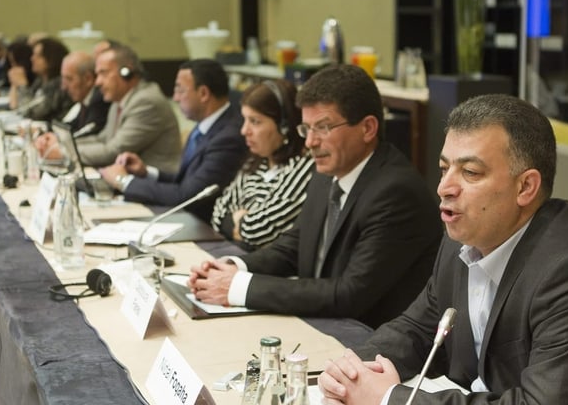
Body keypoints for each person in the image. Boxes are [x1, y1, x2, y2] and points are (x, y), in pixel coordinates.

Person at [317, 94, 568, 405]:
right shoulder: (460, 242)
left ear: (526, 187)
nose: (444, 188)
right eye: (443, 167)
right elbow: (417, 329)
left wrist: (387, 403)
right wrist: (352, 374)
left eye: (470, 172)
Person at [187, 64, 441, 328]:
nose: (310, 142)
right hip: (323, 325)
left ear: (367, 128)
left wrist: (239, 288)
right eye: (306, 129)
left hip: (371, 342)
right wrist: (233, 268)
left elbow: (349, 294)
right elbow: (294, 247)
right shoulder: (326, 173)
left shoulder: (395, 192)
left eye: (322, 127)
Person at [98, 58, 246, 221]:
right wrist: (146, 172)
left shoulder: (228, 138)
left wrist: (123, 181)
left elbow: (188, 197)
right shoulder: (204, 126)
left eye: (180, 90)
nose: (175, 98)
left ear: (203, 93)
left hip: (205, 227)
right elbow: (187, 182)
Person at [37, 44, 181, 171]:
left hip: (156, 190)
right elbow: (102, 139)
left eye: (103, 73)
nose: (97, 82)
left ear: (126, 72)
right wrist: (61, 143)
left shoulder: (146, 102)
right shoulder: (119, 100)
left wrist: (63, 152)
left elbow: (113, 152)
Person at [210, 79, 314, 250]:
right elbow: (218, 215)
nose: (244, 131)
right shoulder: (256, 161)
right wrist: (243, 221)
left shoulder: (304, 167)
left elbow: (258, 231)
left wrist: (238, 221)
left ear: (284, 126)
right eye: (244, 120)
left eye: (255, 122)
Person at [8, 37, 72, 121]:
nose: (32, 58)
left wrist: (22, 86)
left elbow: (33, 113)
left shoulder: (58, 84)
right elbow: (15, 106)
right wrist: (15, 84)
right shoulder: (40, 81)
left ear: (51, 59)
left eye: (38, 56)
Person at [59, 50, 110, 136]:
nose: (64, 87)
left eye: (69, 79)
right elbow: (72, 126)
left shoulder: (99, 101)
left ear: (88, 79)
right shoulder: (86, 99)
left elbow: (84, 134)